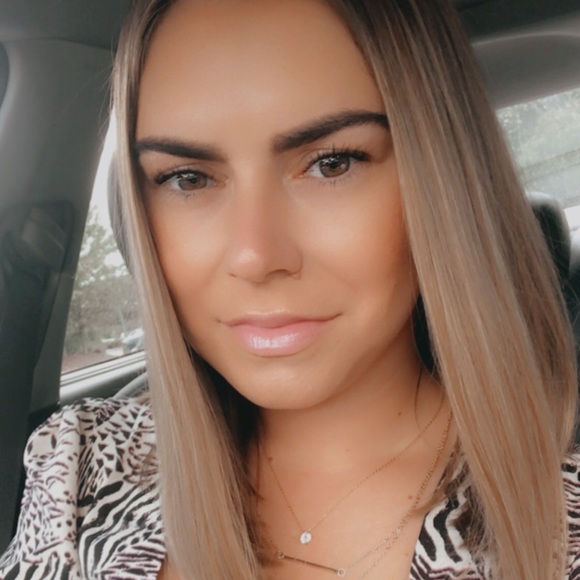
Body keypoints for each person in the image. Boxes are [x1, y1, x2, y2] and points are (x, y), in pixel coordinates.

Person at [1, 0, 579, 578]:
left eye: (332, 164)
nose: (254, 256)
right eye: (188, 178)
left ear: (441, 184)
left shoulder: (562, 522)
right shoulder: (78, 470)